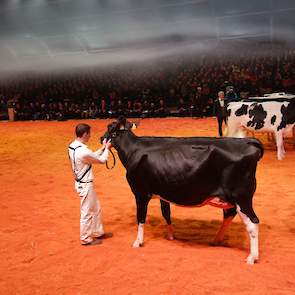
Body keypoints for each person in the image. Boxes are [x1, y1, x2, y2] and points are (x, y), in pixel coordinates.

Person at [68, 123, 112, 246]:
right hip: (85, 185)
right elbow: (102, 160)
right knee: (86, 212)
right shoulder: (83, 151)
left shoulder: (73, 146)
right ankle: (85, 239)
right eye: (89, 134)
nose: (90, 136)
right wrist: (107, 148)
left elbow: (90, 156)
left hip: (82, 183)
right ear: (85, 134)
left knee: (96, 208)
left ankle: (98, 232)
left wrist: (102, 148)